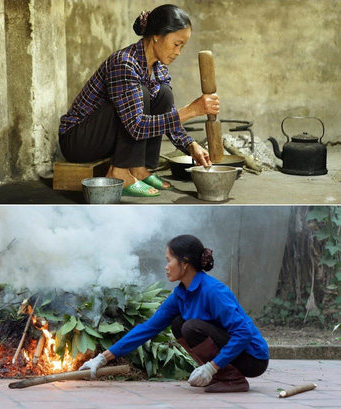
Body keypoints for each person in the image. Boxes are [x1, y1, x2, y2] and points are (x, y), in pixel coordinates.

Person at [58, 5, 220, 197]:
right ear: (157, 36)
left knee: (164, 94)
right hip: (78, 140)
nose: (178, 52)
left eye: (182, 46)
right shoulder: (124, 63)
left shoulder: (159, 70)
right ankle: (119, 172)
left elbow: (168, 119)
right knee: (140, 94)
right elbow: (136, 126)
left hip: (105, 138)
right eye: (176, 44)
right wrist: (192, 110)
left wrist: (190, 145)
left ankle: (138, 168)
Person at [80, 235, 269, 393]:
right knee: (179, 324)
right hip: (233, 353)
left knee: (190, 327)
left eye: (169, 260)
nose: (166, 266)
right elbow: (148, 328)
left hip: (253, 358)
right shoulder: (180, 294)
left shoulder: (213, 291)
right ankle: (223, 375)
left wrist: (212, 366)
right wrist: (101, 358)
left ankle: (232, 379)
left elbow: (243, 333)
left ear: (185, 263)